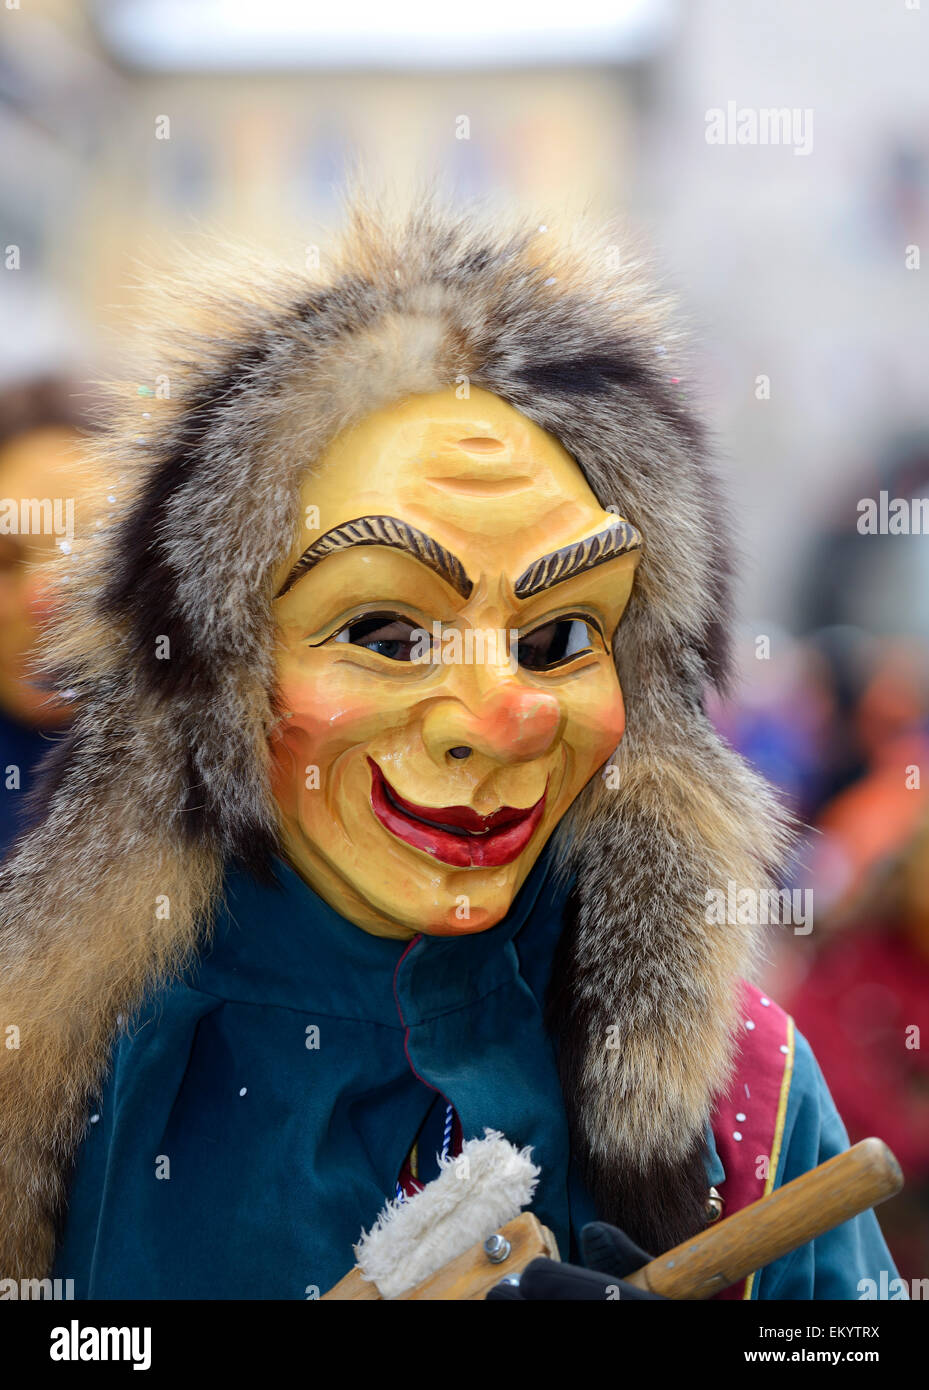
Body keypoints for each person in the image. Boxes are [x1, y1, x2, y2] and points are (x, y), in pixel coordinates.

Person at [0, 201, 898, 1299]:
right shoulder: (52, 1087)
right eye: (384, 630)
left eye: (560, 636)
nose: (498, 715)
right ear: (217, 676)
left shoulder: (741, 1096)